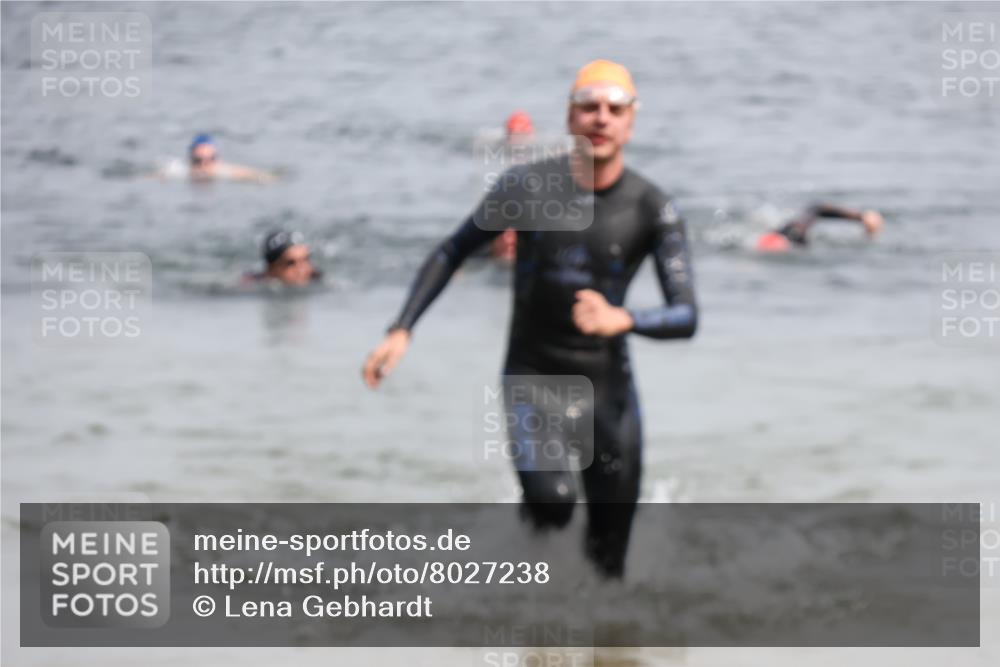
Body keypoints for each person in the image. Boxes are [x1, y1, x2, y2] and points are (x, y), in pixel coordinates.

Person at [362, 60, 698, 578]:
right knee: (554, 503)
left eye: (615, 109)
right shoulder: (525, 187)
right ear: (569, 117)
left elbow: (686, 315)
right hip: (534, 376)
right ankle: (529, 618)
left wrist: (623, 320)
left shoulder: (652, 207)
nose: (601, 118)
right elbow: (453, 250)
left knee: (609, 561)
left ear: (631, 122)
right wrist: (402, 327)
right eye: (589, 106)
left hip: (609, 391)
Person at [754, 203, 884, 253]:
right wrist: (860, 217)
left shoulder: (795, 233)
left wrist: (860, 217)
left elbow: (816, 209)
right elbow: (816, 209)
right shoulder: (796, 233)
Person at [180, 133, 276, 184]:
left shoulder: (224, 171)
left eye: (210, 160)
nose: (204, 165)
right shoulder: (181, 171)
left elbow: (256, 175)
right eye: (198, 161)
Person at [243, 230, 322, 286]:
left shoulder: (317, 277)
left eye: (306, 259)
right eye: (291, 263)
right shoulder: (252, 285)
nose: (302, 270)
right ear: (271, 270)